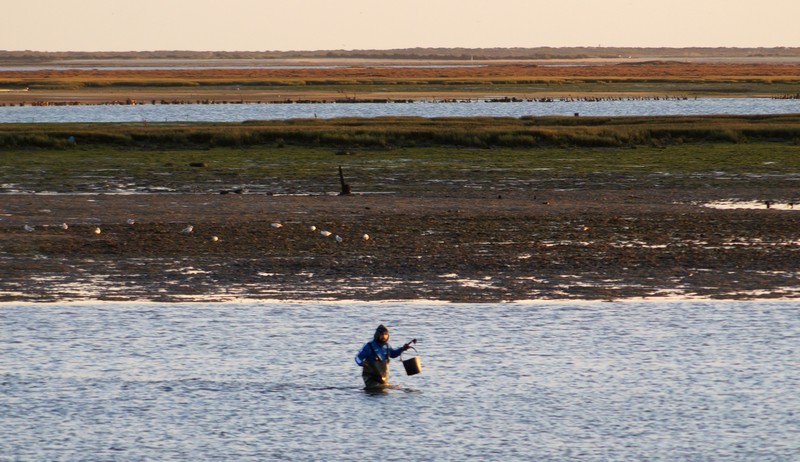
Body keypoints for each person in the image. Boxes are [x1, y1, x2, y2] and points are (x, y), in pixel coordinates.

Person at [354, 324, 410, 388]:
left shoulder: (387, 346)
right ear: (377, 334)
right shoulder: (369, 346)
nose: (384, 336)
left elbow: (393, 354)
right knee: (388, 388)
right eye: (382, 334)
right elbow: (357, 357)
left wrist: (403, 349)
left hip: (383, 379)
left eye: (386, 334)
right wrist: (361, 363)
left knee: (396, 388)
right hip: (371, 379)